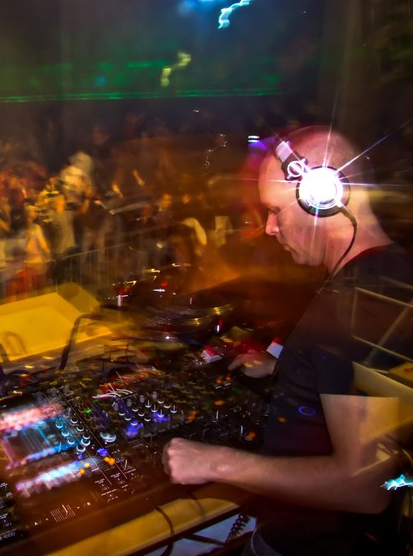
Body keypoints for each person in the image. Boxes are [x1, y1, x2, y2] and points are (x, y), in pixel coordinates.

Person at [162, 126, 413, 555]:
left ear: (323, 197)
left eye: (276, 211)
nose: (270, 228)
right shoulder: (391, 272)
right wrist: (292, 368)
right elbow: (378, 381)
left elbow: (366, 487)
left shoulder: (350, 308)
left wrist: (215, 462)